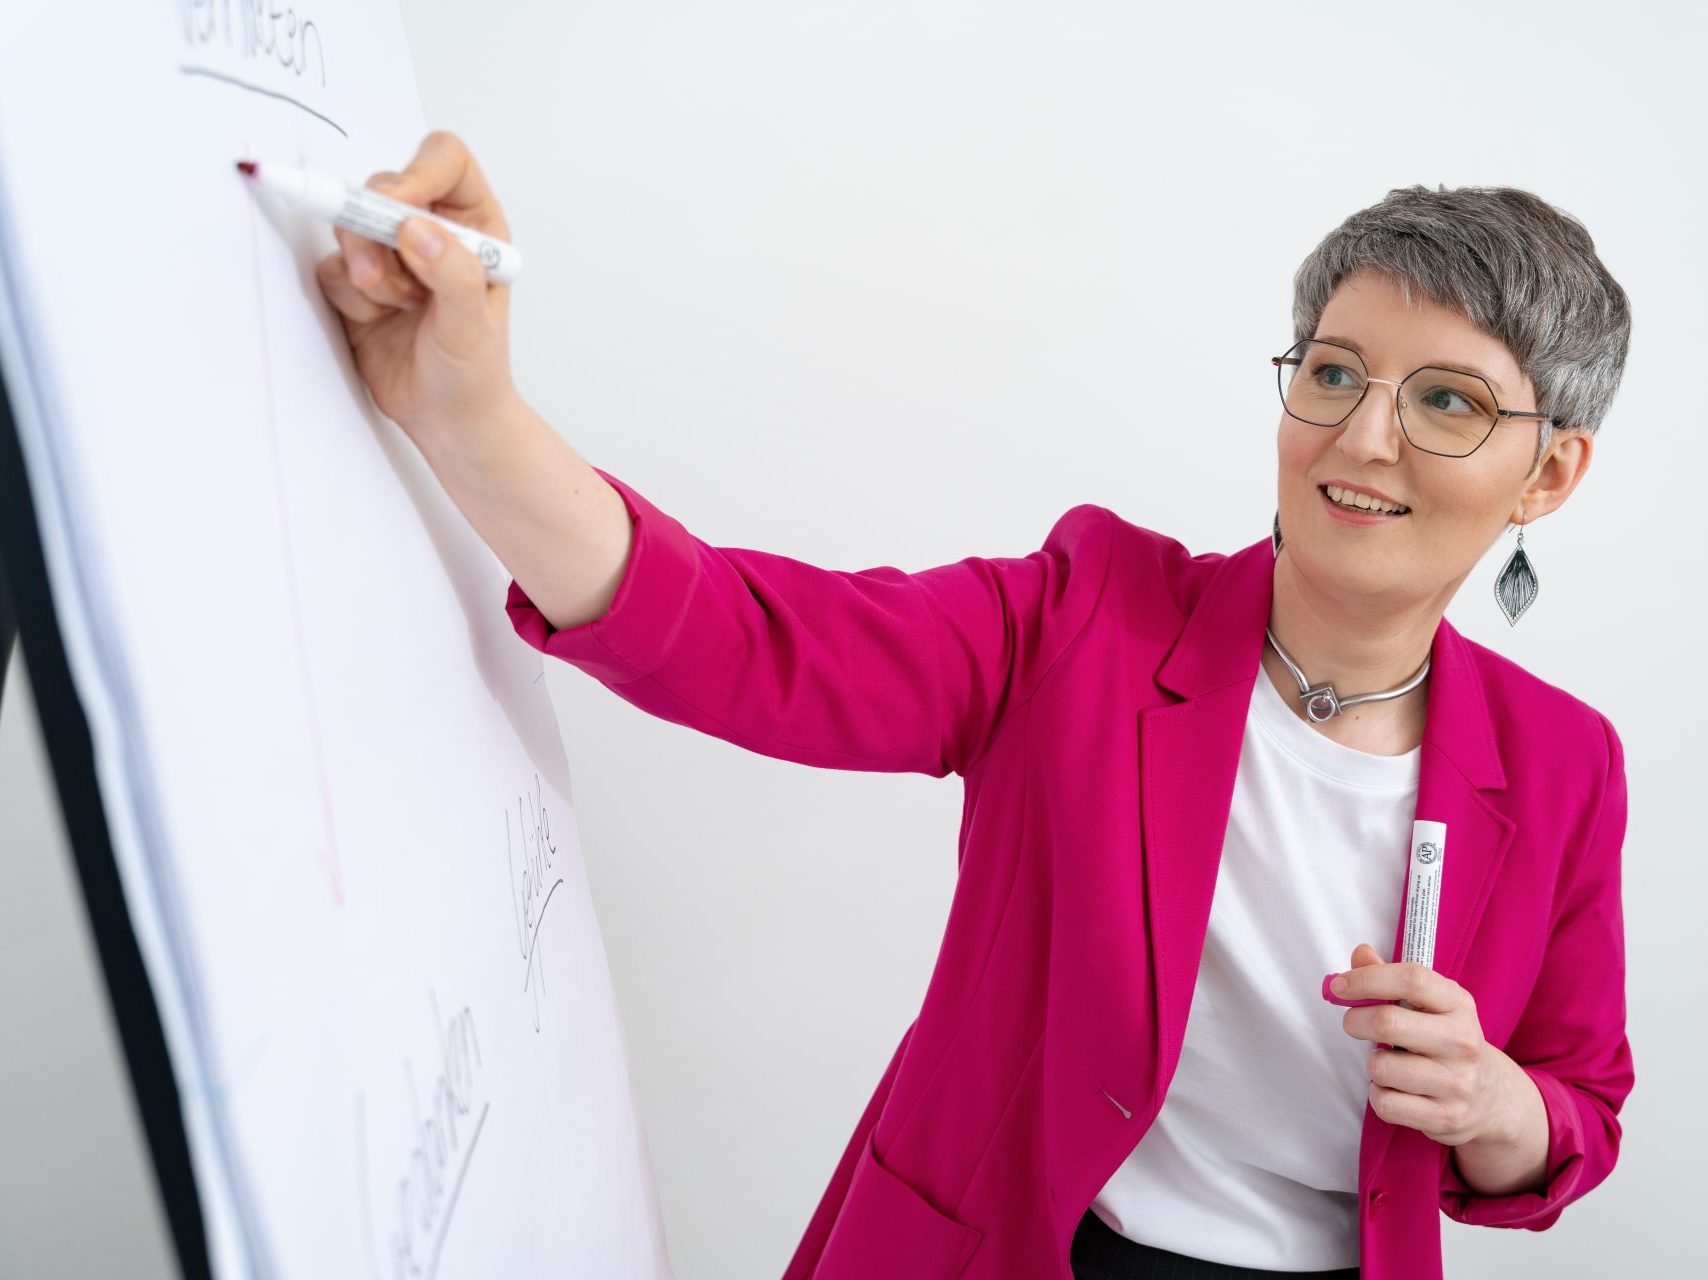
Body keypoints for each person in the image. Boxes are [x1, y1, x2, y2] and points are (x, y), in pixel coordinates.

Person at [315, 131, 1632, 1280]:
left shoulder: (1563, 768)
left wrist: (1497, 1108)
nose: (1360, 438)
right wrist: (469, 413)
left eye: (1447, 402)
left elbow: (1580, 1105)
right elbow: (742, 639)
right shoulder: (1090, 613)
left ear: (1550, 474)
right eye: (1334, 372)